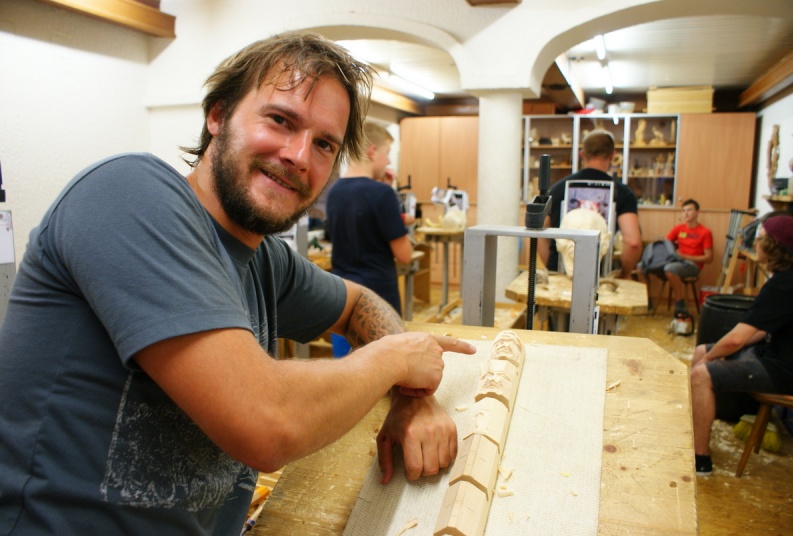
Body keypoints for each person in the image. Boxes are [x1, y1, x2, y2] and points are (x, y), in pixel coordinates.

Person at [0, 32, 475, 535]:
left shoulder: (267, 261)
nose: (299, 155)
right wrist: (395, 359)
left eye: (324, 144)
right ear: (218, 115)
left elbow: (359, 303)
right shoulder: (128, 194)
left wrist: (412, 397)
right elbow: (266, 422)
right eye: (280, 120)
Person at [690, 214, 793, 475]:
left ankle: (700, 460)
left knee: (701, 373)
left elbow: (738, 338)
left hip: (788, 371)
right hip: (775, 355)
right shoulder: (787, 280)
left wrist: (714, 357)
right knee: (700, 351)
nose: (755, 243)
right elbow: (760, 331)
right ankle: (696, 430)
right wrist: (715, 352)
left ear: (772, 247)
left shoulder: (784, 286)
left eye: (760, 238)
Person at [327, 122, 412, 314]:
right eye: (387, 153)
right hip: (377, 295)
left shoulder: (334, 191)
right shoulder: (382, 194)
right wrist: (388, 192)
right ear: (372, 151)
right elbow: (405, 255)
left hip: (342, 293)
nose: (388, 161)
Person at [539, 129, 642, 279]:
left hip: (559, 274)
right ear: (612, 155)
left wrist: (551, 266)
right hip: (600, 277)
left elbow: (540, 231)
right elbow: (633, 243)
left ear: (582, 154)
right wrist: (624, 274)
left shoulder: (557, 189)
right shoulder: (623, 193)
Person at [638, 198, 713, 311]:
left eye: (689, 210)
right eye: (683, 211)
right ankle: (647, 300)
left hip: (693, 265)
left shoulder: (705, 232)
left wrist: (686, 257)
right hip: (676, 261)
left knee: (669, 268)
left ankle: (680, 303)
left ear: (697, 212)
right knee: (640, 266)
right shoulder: (679, 228)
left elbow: (709, 258)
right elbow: (666, 244)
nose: (686, 213)